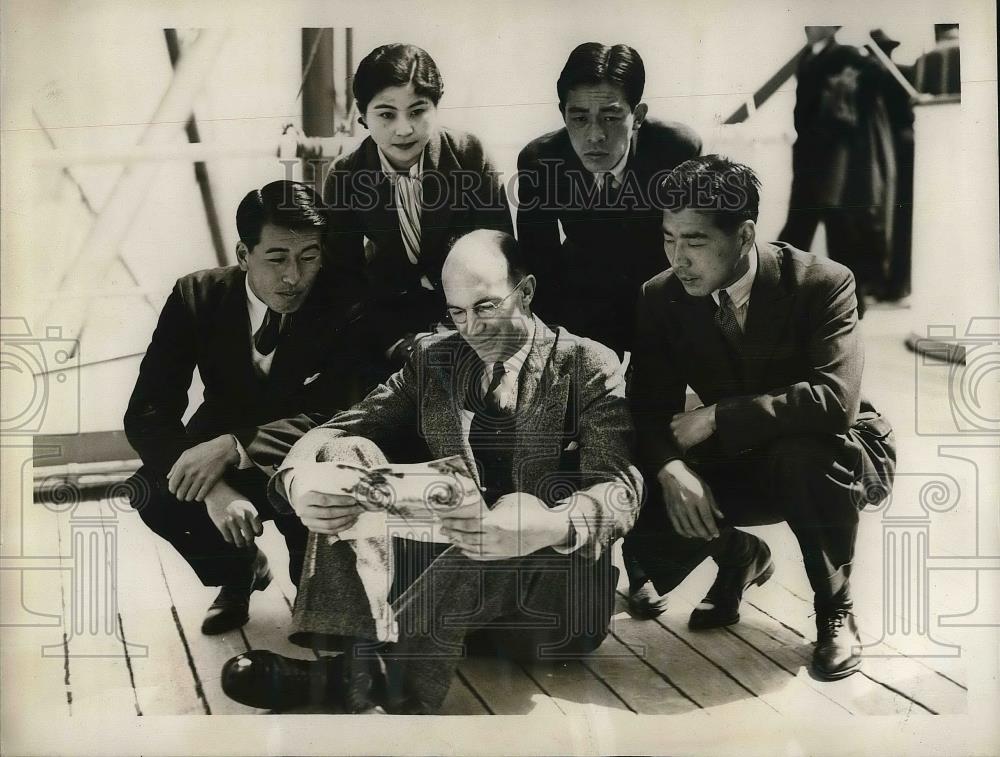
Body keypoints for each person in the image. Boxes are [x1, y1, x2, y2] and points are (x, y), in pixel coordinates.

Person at [220, 229, 642, 713]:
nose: (471, 329)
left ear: (524, 292)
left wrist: (548, 523)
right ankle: (366, 660)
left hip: (547, 611)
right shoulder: (435, 359)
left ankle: (361, 677)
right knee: (347, 454)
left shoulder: (588, 364)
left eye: (485, 307)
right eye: (456, 313)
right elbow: (337, 430)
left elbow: (621, 489)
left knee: (518, 506)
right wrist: (299, 483)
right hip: (427, 603)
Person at [624, 156, 896, 680]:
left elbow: (834, 402)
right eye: (668, 238)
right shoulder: (661, 296)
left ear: (745, 234)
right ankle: (738, 555)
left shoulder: (823, 281)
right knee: (633, 469)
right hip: (748, 450)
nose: (678, 258)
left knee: (803, 452)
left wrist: (720, 416)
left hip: (838, 449)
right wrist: (670, 471)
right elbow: (648, 409)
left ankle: (835, 609)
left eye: (696, 241)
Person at [123, 181, 374, 635]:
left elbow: (341, 409)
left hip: (304, 454)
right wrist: (214, 489)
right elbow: (147, 411)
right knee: (152, 493)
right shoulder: (195, 296)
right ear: (243, 254)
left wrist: (236, 447)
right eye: (276, 258)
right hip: (220, 448)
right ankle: (240, 574)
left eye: (309, 257)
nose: (293, 277)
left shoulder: (346, 301)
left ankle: (308, 579)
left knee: (318, 619)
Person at [322, 43, 513, 369]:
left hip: (470, 313)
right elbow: (344, 282)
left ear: (436, 107)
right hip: (387, 320)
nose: (404, 128)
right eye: (386, 114)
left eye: (417, 111)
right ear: (362, 115)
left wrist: (461, 331)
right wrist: (395, 343)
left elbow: (500, 261)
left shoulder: (469, 155)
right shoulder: (344, 175)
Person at [516, 42, 701, 356]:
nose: (594, 135)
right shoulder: (540, 161)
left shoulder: (676, 150)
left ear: (638, 116)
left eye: (611, 118)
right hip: (584, 297)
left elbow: (696, 248)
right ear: (563, 114)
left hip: (661, 293)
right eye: (579, 118)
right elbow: (540, 266)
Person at [778, 26, 897, 316]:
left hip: (834, 161)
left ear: (832, 27)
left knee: (837, 232)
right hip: (809, 159)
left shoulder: (844, 53)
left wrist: (845, 103)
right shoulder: (808, 57)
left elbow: (875, 75)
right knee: (803, 231)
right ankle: (781, 294)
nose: (807, 26)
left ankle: (852, 302)